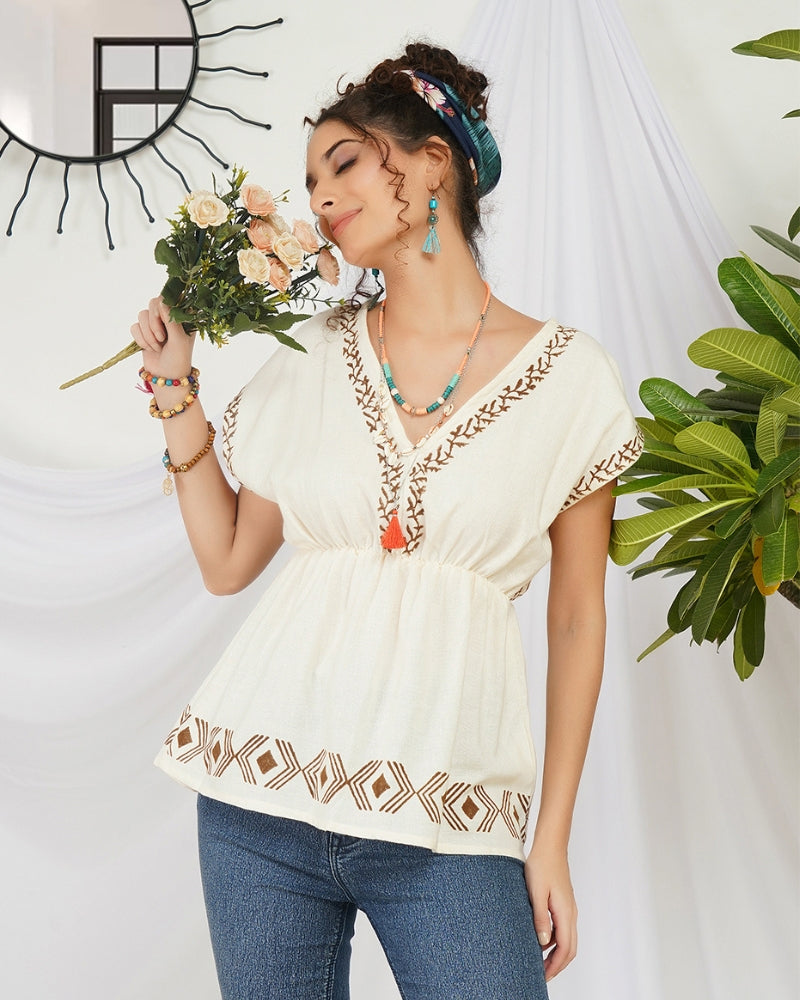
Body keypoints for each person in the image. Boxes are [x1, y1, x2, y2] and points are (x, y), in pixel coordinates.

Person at [132, 42, 642, 1000]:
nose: (321, 196)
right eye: (310, 181)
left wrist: (552, 839)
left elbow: (578, 617)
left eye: (345, 163)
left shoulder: (572, 379)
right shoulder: (314, 357)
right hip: (258, 803)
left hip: (448, 816)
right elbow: (229, 561)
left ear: (434, 162)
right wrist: (173, 387)